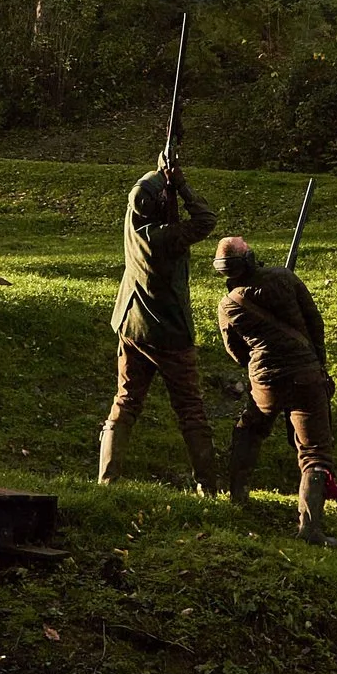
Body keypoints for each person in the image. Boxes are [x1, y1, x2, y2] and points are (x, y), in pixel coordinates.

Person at [99, 154, 223, 489]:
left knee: (125, 401)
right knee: (190, 409)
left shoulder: (134, 222)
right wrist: (180, 185)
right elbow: (206, 219)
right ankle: (207, 487)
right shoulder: (166, 238)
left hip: (131, 325)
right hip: (169, 332)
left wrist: (159, 176)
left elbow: (143, 194)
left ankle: (107, 480)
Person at [214, 234, 336, 537]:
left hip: (265, 382)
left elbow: (235, 350)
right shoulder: (284, 277)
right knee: (315, 453)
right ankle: (310, 527)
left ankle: (237, 498)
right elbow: (314, 323)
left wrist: (259, 369)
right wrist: (318, 362)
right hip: (306, 375)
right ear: (249, 260)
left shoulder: (228, 305)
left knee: (250, 430)